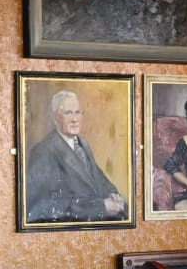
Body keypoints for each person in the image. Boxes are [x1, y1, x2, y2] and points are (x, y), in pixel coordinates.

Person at [25, 89, 127, 223]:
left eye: (77, 113)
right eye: (68, 113)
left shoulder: (83, 144)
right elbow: (45, 206)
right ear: (55, 118)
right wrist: (101, 207)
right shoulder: (42, 151)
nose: (74, 119)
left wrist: (114, 196)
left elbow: (100, 181)